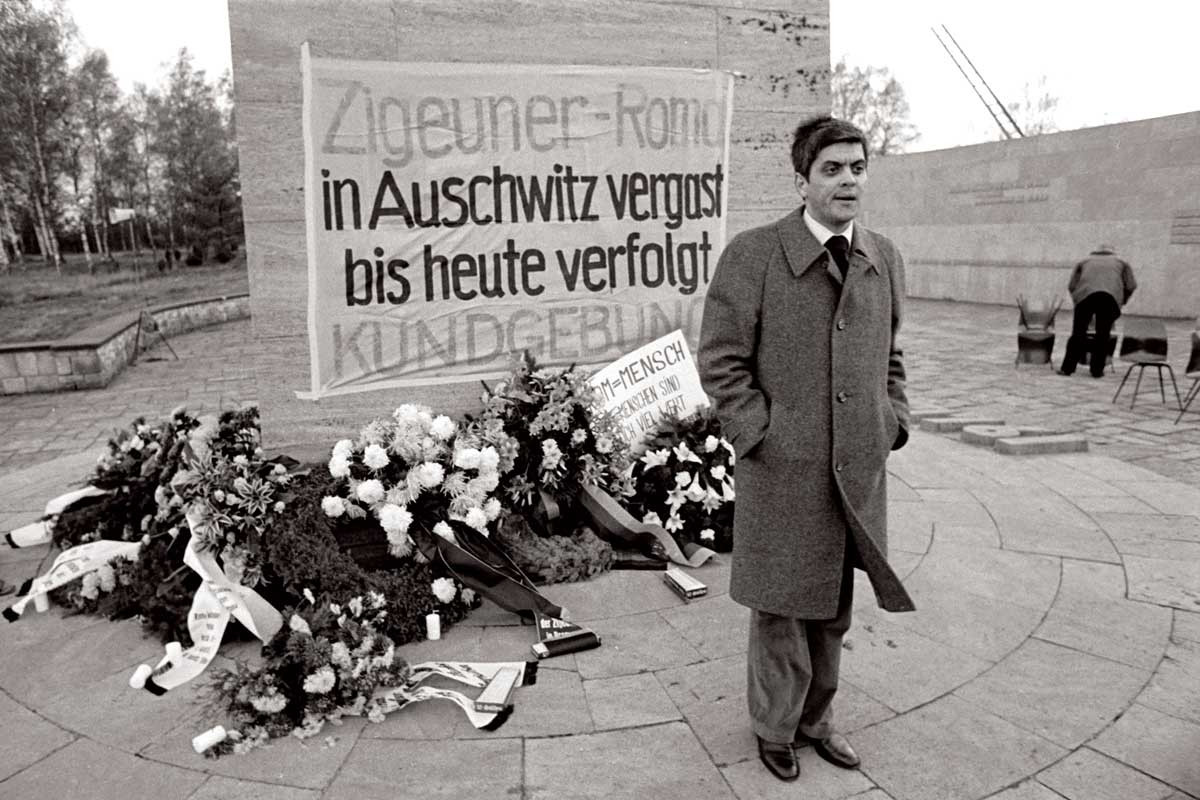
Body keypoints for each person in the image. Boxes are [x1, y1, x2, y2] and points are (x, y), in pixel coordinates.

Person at [698, 115, 915, 783]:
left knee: (834, 603)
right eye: (832, 169)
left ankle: (818, 722)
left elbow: (892, 355)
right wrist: (760, 434)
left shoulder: (884, 256)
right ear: (802, 181)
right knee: (780, 605)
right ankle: (774, 728)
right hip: (783, 467)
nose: (848, 179)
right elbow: (721, 361)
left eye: (856, 167)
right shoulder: (754, 253)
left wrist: (893, 419)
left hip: (857, 466)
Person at [1058, 244, 1137, 377]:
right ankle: (1097, 370)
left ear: (1095, 252)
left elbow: (1072, 285)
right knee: (1103, 334)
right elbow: (1131, 285)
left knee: (1078, 333)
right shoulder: (1122, 263)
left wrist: (1077, 301)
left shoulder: (1084, 262)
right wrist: (1122, 301)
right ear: (1112, 253)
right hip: (1109, 298)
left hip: (1085, 296)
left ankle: (1067, 368)